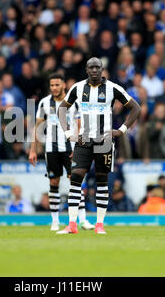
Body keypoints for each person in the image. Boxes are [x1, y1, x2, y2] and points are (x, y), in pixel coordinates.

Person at [56, 57, 141, 234]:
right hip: (83, 140)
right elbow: (61, 109)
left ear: (102, 70)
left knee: (102, 181)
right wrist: (67, 133)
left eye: (97, 67)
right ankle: (72, 225)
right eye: (91, 67)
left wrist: (122, 130)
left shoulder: (113, 88)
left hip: (104, 141)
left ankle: (99, 225)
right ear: (87, 70)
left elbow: (136, 108)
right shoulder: (78, 88)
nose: (94, 70)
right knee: (76, 178)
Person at [29, 73, 94, 231]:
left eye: (57, 85)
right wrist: (32, 150)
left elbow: (80, 126)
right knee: (54, 182)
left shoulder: (74, 102)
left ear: (64, 85)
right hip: (51, 149)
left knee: (76, 182)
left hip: (70, 149)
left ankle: (83, 220)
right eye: (52, 85)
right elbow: (37, 127)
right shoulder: (45, 103)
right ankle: (55, 221)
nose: (54, 88)